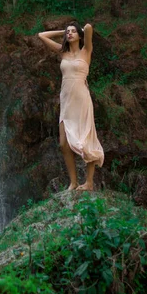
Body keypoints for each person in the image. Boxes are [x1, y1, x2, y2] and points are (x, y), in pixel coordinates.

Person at [38, 22, 104, 191]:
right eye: (68, 32)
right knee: (64, 144)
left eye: (73, 31)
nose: (70, 34)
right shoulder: (62, 52)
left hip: (81, 100)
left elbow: (89, 28)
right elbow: (41, 36)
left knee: (86, 139)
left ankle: (88, 182)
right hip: (66, 100)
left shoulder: (86, 51)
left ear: (80, 35)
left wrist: (83, 29)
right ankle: (73, 182)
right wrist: (62, 31)